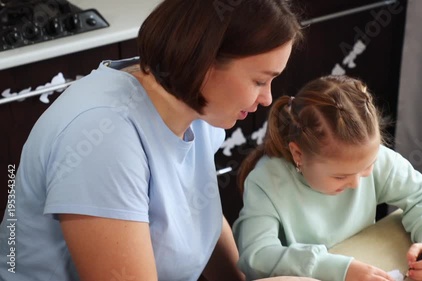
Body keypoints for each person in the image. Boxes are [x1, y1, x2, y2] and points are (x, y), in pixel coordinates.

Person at [0, 1, 303, 280]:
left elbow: (199, 213)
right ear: (203, 62)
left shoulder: (196, 106)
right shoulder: (105, 139)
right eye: (260, 81)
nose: (267, 98)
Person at [233, 75, 422, 281]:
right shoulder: (267, 181)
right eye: (340, 176)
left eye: (366, 169)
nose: (355, 184)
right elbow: (256, 257)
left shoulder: (373, 158)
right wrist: (337, 268)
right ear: (298, 155)